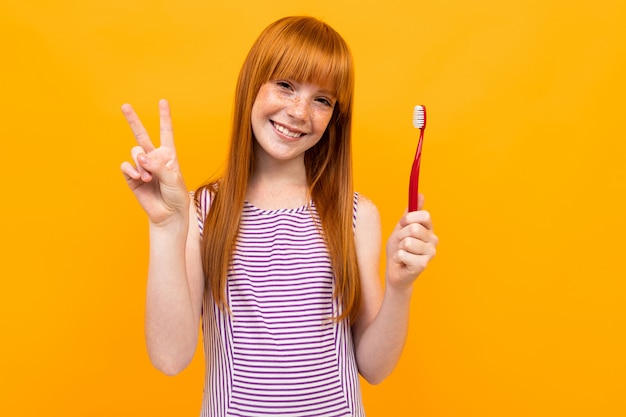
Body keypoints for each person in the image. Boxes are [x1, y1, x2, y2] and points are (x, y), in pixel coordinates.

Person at [120, 16, 438, 417]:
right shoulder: (200, 210)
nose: (299, 111)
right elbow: (170, 358)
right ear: (252, 85)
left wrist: (400, 287)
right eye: (285, 85)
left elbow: (374, 368)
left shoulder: (356, 214)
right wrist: (166, 228)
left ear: (334, 118)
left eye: (322, 99)